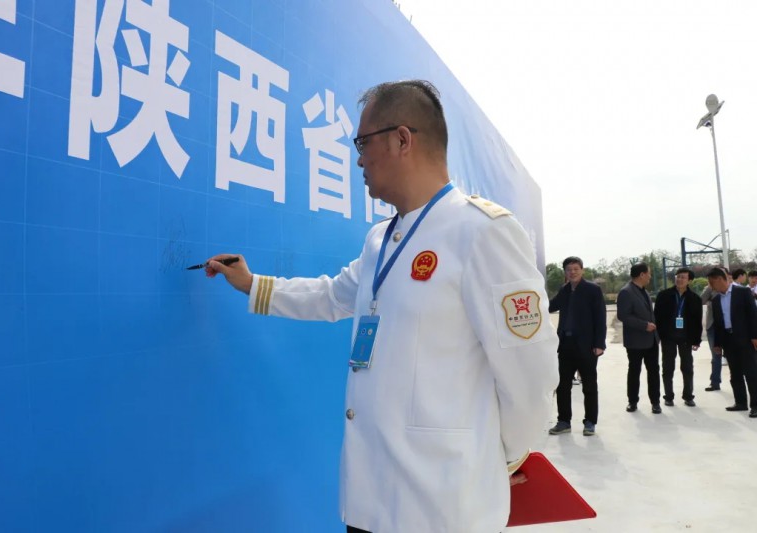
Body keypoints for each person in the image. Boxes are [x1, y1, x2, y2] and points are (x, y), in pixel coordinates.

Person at [205, 80, 558, 533]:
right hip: (371, 502)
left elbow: (529, 373)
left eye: (363, 143)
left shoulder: (481, 231)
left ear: (402, 139)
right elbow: (333, 295)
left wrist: (498, 458)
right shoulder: (381, 239)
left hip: (442, 507)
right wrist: (253, 285)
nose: (358, 159)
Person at [548, 256, 607, 436]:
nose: (572, 272)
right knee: (562, 385)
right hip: (566, 345)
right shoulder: (564, 290)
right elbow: (550, 307)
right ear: (565, 272)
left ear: (582, 270)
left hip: (587, 346)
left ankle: (590, 422)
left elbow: (600, 318)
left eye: (575, 269)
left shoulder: (593, 290)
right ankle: (564, 421)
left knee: (589, 385)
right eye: (569, 269)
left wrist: (599, 344)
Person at [708, 267, 757, 417]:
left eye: (712, 282)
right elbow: (718, 324)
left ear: (720, 279)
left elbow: (753, 315)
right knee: (735, 373)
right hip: (728, 340)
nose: (710, 286)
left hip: (745, 339)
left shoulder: (742, 292)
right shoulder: (716, 300)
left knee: (751, 373)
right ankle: (740, 402)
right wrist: (717, 344)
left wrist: (754, 336)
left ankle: (755, 406)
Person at [654, 267, 703, 407]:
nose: (679, 279)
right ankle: (668, 396)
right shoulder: (664, 295)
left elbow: (697, 321)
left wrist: (697, 340)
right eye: (678, 276)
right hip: (668, 337)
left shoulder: (695, 299)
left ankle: (688, 396)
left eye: (683, 277)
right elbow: (657, 316)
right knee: (667, 368)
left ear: (689, 281)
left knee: (687, 368)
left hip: (686, 338)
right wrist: (658, 336)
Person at [617, 262, 662, 414]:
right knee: (634, 371)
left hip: (652, 340)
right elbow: (623, 315)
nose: (650, 276)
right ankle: (632, 401)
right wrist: (644, 325)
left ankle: (655, 402)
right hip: (635, 341)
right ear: (642, 274)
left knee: (654, 372)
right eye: (648, 273)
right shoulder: (626, 292)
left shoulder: (644, 291)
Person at [701, 282, 723, 391]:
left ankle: (738, 381)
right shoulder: (709, 288)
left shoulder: (730, 289)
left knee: (733, 356)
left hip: (727, 327)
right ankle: (715, 382)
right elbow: (701, 301)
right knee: (716, 356)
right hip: (713, 327)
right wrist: (710, 287)